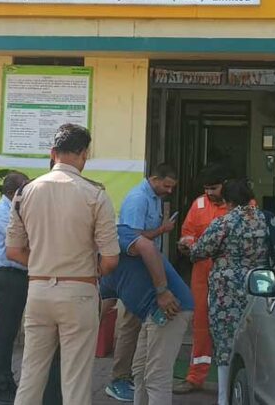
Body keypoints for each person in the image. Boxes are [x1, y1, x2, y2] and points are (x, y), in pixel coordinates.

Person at [7, 123, 121, 405]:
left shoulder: (24, 192)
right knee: (75, 381)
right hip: (79, 291)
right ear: (84, 154)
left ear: (52, 152)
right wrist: (89, 271)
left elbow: (13, 251)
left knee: (31, 376)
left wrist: (44, 264)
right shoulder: (95, 194)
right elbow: (110, 260)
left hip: (38, 289)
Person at [190, 179, 275, 405]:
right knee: (258, 341)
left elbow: (199, 251)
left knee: (225, 345)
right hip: (259, 286)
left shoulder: (223, 222)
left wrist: (189, 247)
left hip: (226, 292)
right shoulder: (268, 219)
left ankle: (224, 399)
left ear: (227, 201)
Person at [0, 170, 62, 405]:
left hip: (18, 276)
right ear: (13, 192)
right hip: (5, 277)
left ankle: (6, 383)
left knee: (10, 332)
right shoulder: (3, 212)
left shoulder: (15, 209)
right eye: (25, 188)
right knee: (3, 333)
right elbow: (25, 241)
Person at [105, 163, 178, 402]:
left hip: (146, 268)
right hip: (134, 268)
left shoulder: (154, 197)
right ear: (154, 179)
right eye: (166, 186)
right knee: (130, 323)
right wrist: (162, 229)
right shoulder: (138, 199)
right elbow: (132, 237)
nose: (169, 191)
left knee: (139, 322)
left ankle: (130, 376)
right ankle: (118, 378)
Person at [100, 247, 194, 405]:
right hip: (150, 314)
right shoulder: (102, 272)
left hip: (171, 306)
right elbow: (105, 302)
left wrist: (162, 291)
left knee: (156, 375)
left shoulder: (119, 238)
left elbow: (149, 248)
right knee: (140, 371)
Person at [172, 164, 231, 395]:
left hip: (229, 277)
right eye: (206, 188)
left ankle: (232, 382)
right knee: (200, 325)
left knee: (230, 327)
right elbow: (188, 231)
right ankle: (195, 377)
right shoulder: (198, 204)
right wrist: (186, 242)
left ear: (225, 184)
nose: (209, 193)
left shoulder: (241, 205)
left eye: (213, 188)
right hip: (202, 273)